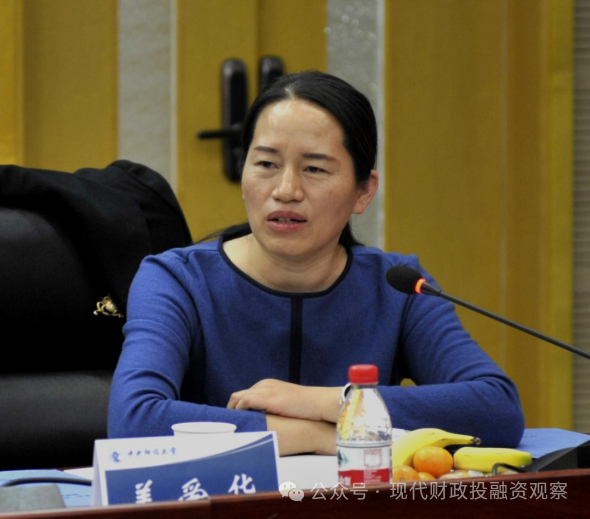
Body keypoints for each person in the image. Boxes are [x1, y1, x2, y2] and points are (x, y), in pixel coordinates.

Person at [108, 71, 525, 455]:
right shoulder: (178, 280)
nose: (286, 190)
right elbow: (134, 421)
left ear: (363, 191)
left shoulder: (396, 287)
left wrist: (326, 401)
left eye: (314, 168)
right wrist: (319, 435)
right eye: (266, 164)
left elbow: (497, 409)